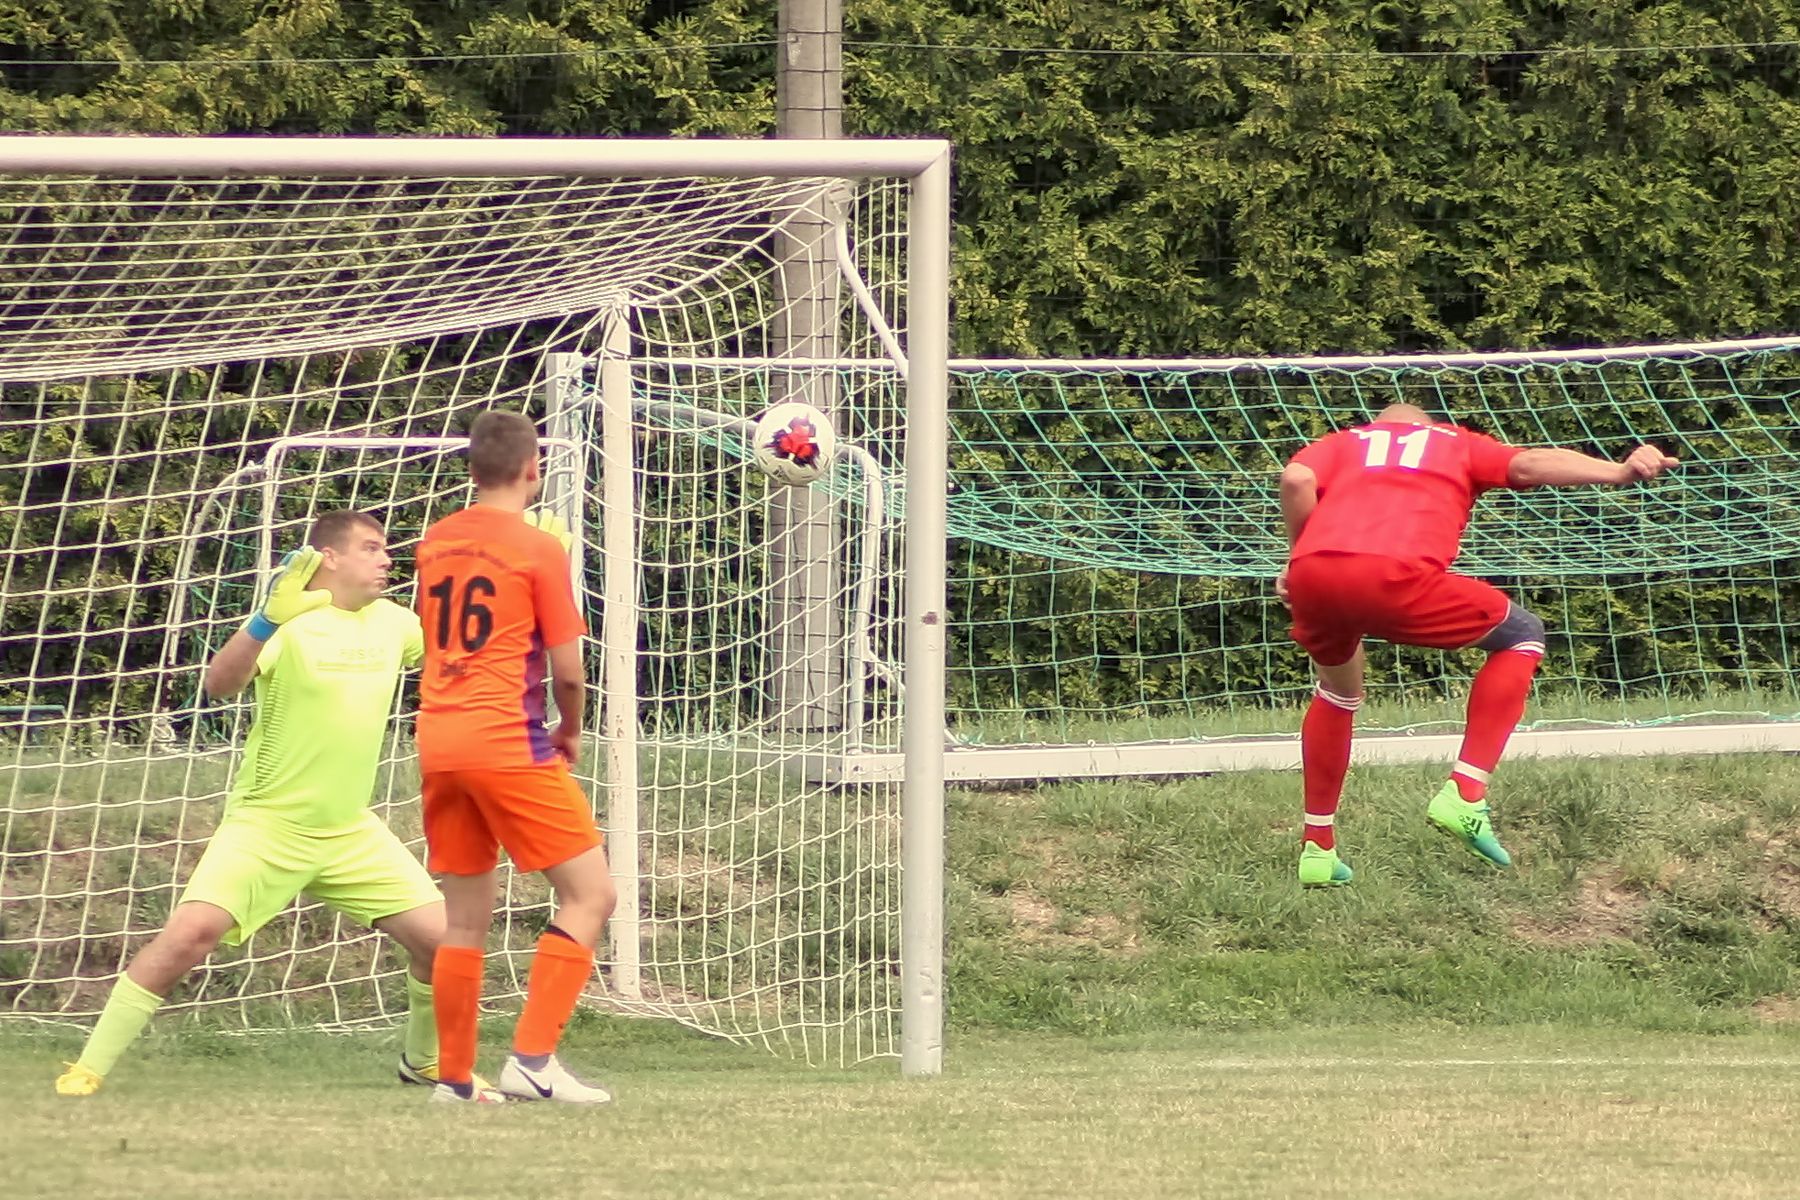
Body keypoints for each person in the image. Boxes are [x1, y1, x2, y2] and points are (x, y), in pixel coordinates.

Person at [56, 511, 460, 1095]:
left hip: (348, 831)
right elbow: (218, 686)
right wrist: (267, 620)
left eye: (386, 549)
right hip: (268, 824)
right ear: (329, 558)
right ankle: (87, 1068)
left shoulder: (397, 624)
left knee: (444, 944)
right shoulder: (290, 624)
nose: (387, 559)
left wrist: (519, 583)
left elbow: (460, 656)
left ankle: (422, 1063)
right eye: (371, 548)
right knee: (189, 935)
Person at [1277, 403, 1677, 886]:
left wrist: (1298, 557)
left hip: (1312, 575)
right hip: (1394, 573)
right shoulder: (1454, 442)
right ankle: (1465, 793)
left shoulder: (1342, 443)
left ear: (1379, 427)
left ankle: (1318, 849)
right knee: (1522, 635)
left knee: (1338, 692)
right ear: (1425, 427)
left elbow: (1297, 479)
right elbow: (1529, 465)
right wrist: (1616, 471)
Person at [415, 409, 616, 1105]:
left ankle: (453, 1081)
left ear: (471, 469)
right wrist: (571, 729)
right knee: (592, 893)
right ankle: (532, 1061)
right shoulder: (538, 550)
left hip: (438, 739)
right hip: (505, 737)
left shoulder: (435, 540)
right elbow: (567, 668)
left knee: (464, 918)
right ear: (534, 471)